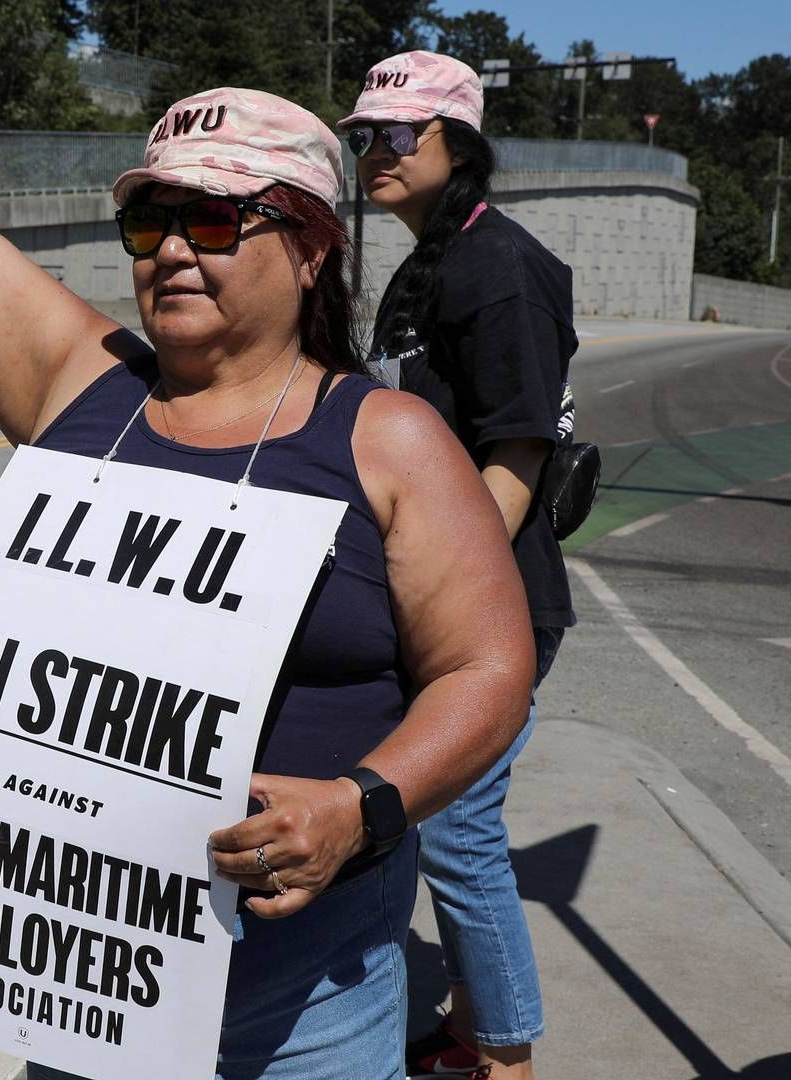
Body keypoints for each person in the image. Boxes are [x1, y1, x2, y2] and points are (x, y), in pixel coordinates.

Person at [0, 7, 536, 1078]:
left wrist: (360, 807)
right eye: (152, 221)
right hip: (89, 983)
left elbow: (488, 667)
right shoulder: (87, 389)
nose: (174, 247)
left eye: (218, 221)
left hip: (301, 1004)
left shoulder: (387, 440)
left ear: (312, 247)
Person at [344, 50, 578, 1080]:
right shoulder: (430, 263)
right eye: (363, 136)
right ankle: (477, 1025)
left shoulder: (500, 270)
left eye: (398, 134)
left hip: (491, 607)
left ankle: (506, 1053)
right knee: (444, 819)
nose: (374, 153)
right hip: (435, 591)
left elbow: (518, 451)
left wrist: (447, 601)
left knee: (457, 827)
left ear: (460, 145)